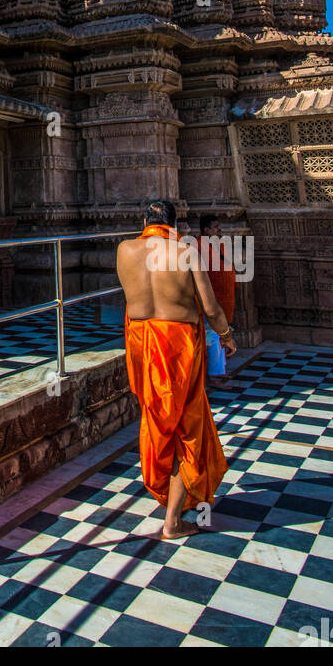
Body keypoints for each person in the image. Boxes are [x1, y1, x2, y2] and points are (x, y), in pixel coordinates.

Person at [116, 198, 235, 540]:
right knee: (189, 427)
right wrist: (226, 336)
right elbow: (210, 307)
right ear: (175, 225)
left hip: (141, 343)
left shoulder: (125, 250)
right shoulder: (186, 252)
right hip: (178, 343)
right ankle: (172, 523)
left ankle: (169, 496)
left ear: (144, 221)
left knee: (157, 421)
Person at [199, 214, 236, 388]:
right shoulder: (198, 246)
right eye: (215, 227)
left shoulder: (219, 245)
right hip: (210, 301)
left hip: (222, 299)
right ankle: (214, 376)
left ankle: (220, 371)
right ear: (205, 230)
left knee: (220, 335)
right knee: (213, 337)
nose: (218, 230)